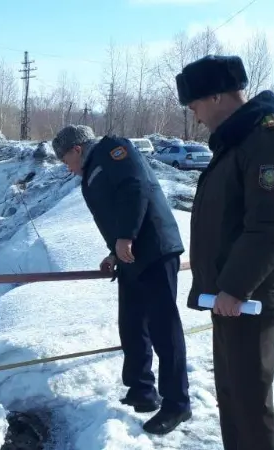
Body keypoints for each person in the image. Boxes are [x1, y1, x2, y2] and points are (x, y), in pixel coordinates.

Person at [175, 55, 274, 450]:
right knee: (232, 397)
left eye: (195, 105)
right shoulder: (240, 139)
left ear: (217, 96)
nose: (196, 117)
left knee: (250, 404)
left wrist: (235, 287)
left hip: (250, 297)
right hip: (230, 295)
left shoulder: (271, 139)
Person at [52, 125, 192, 435]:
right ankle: (142, 390)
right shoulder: (92, 169)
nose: (67, 168)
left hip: (153, 249)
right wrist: (114, 252)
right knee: (131, 324)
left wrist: (126, 236)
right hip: (130, 257)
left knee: (163, 329)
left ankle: (177, 404)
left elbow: (135, 187)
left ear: (76, 149)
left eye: (66, 160)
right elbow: (112, 214)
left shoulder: (114, 150)